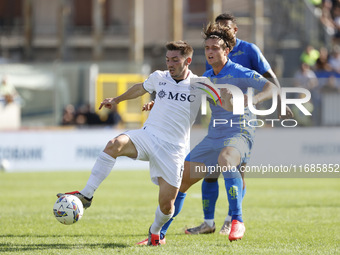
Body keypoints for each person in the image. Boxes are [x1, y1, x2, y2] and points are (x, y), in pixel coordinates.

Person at [139, 22, 277, 244]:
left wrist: (252, 99)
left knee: (226, 160)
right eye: (207, 48)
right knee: (180, 181)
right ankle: (157, 235)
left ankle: (237, 220)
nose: (210, 51)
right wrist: (158, 103)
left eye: (215, 47)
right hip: (214, 136)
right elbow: (182, 95)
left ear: (226, 51)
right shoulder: (206, 77)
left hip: (240, 132)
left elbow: (271, 87)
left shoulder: (240, 72)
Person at [57, 41, 205, 246]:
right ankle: (87, 195)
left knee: (167, 207)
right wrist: (117, 100)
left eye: (175, 60)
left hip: (174, 150)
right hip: (148, 136)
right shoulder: (159, 77)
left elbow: (218, 102)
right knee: (114, 144)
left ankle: (155, 232)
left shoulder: (199, 84)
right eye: (167, 59)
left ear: (187, 61)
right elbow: (140, 88)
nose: (170, 64)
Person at [190, 12, 294, 236]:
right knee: (210, 172)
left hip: (242, 121)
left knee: (235, 170)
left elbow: (269, 78)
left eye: (226, 28)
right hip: (219, 120)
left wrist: (280, 101)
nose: (222, 31)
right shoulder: (212, 59)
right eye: (219, 28)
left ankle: (232, 218)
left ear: (234, 30)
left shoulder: (249, 50)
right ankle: (208, 222)